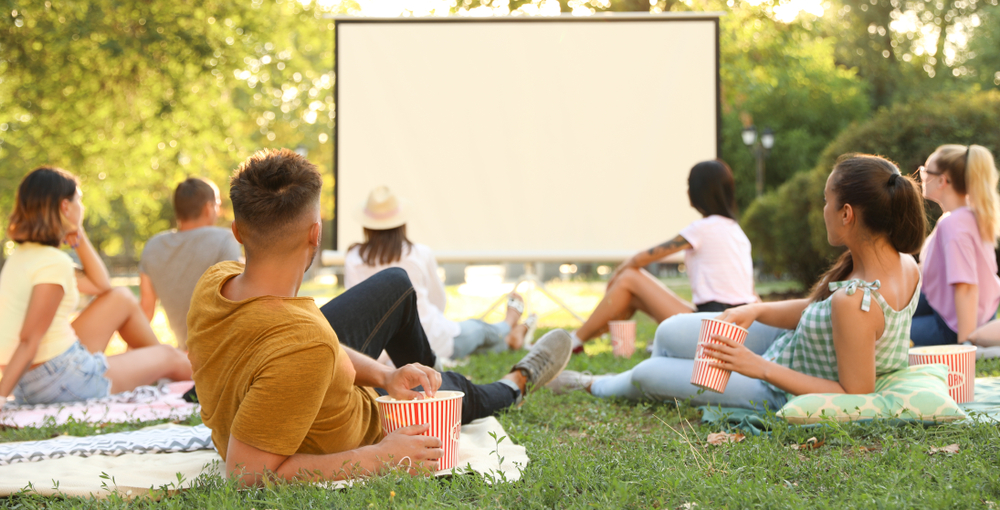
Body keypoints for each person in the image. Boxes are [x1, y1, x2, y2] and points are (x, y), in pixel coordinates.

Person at [186, 149, 572, 484]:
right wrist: (382, 456)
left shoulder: (214, 280)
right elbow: (246, 473)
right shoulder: (304, 345)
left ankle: (443, 378)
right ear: (315, 235)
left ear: (237, 231)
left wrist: (386, 374)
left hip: (302, 381)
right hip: (358, 417)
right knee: (454, 390)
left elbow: (311, 347)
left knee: (395, 285)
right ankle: (514, 384)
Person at [550, 154, 926, 411]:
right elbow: (821, 311)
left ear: (846, 214)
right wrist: (758, 308)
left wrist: (756, 366)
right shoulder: (903, 263)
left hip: (776, 387)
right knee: (668, 333)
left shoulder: (858, 301)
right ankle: (659, 371)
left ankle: (595, 383)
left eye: (825, 201)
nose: (822, 208)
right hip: (788, 346)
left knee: (649, 372)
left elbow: (855, 393)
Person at [0, 167, 191, 408]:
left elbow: (101, 286)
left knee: (120, 297)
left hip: (36, 378)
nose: (83, 207)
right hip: (59, 380)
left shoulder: (24, 257)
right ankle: (224, 381)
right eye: (78, 200)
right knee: (169, 355)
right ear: (65, 207)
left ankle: (156, 371)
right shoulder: (53, 263)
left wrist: (76, 232)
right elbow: (29, 339)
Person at [568, 160, 758, 354]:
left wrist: (615, 277)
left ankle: (572, 341)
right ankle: (581, 340)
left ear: (697, 192)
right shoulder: (737, 232)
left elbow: (640, 259)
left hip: (709, 326)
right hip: (735, 326)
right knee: (633, 297)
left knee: (628, 278)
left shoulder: (701, 229)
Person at [344, 186, 535, 362]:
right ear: (401, 223)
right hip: (434, 339)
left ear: (367, 226)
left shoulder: (354, 258)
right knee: (480, 330)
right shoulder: (419, 254)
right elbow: (438, 301)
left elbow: (356, 309)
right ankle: (509, 324)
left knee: (478, 345)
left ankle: (510, 340)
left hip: (383, 353)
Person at [910, 144, 1000, 346]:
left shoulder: (955, 225)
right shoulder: (966, 216)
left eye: (925, 170)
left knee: (886, 335)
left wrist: (964, 345)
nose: (921, 175)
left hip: (956, 326)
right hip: (956, 311)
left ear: (942, 181)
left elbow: (966, 286)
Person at [138, 177, 242, 349]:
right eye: (217, 204)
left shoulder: (154, 246)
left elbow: (146, 310)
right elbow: (233, 302)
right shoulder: (225, 239)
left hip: (185, 353)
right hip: (221, 353)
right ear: (208, 208)